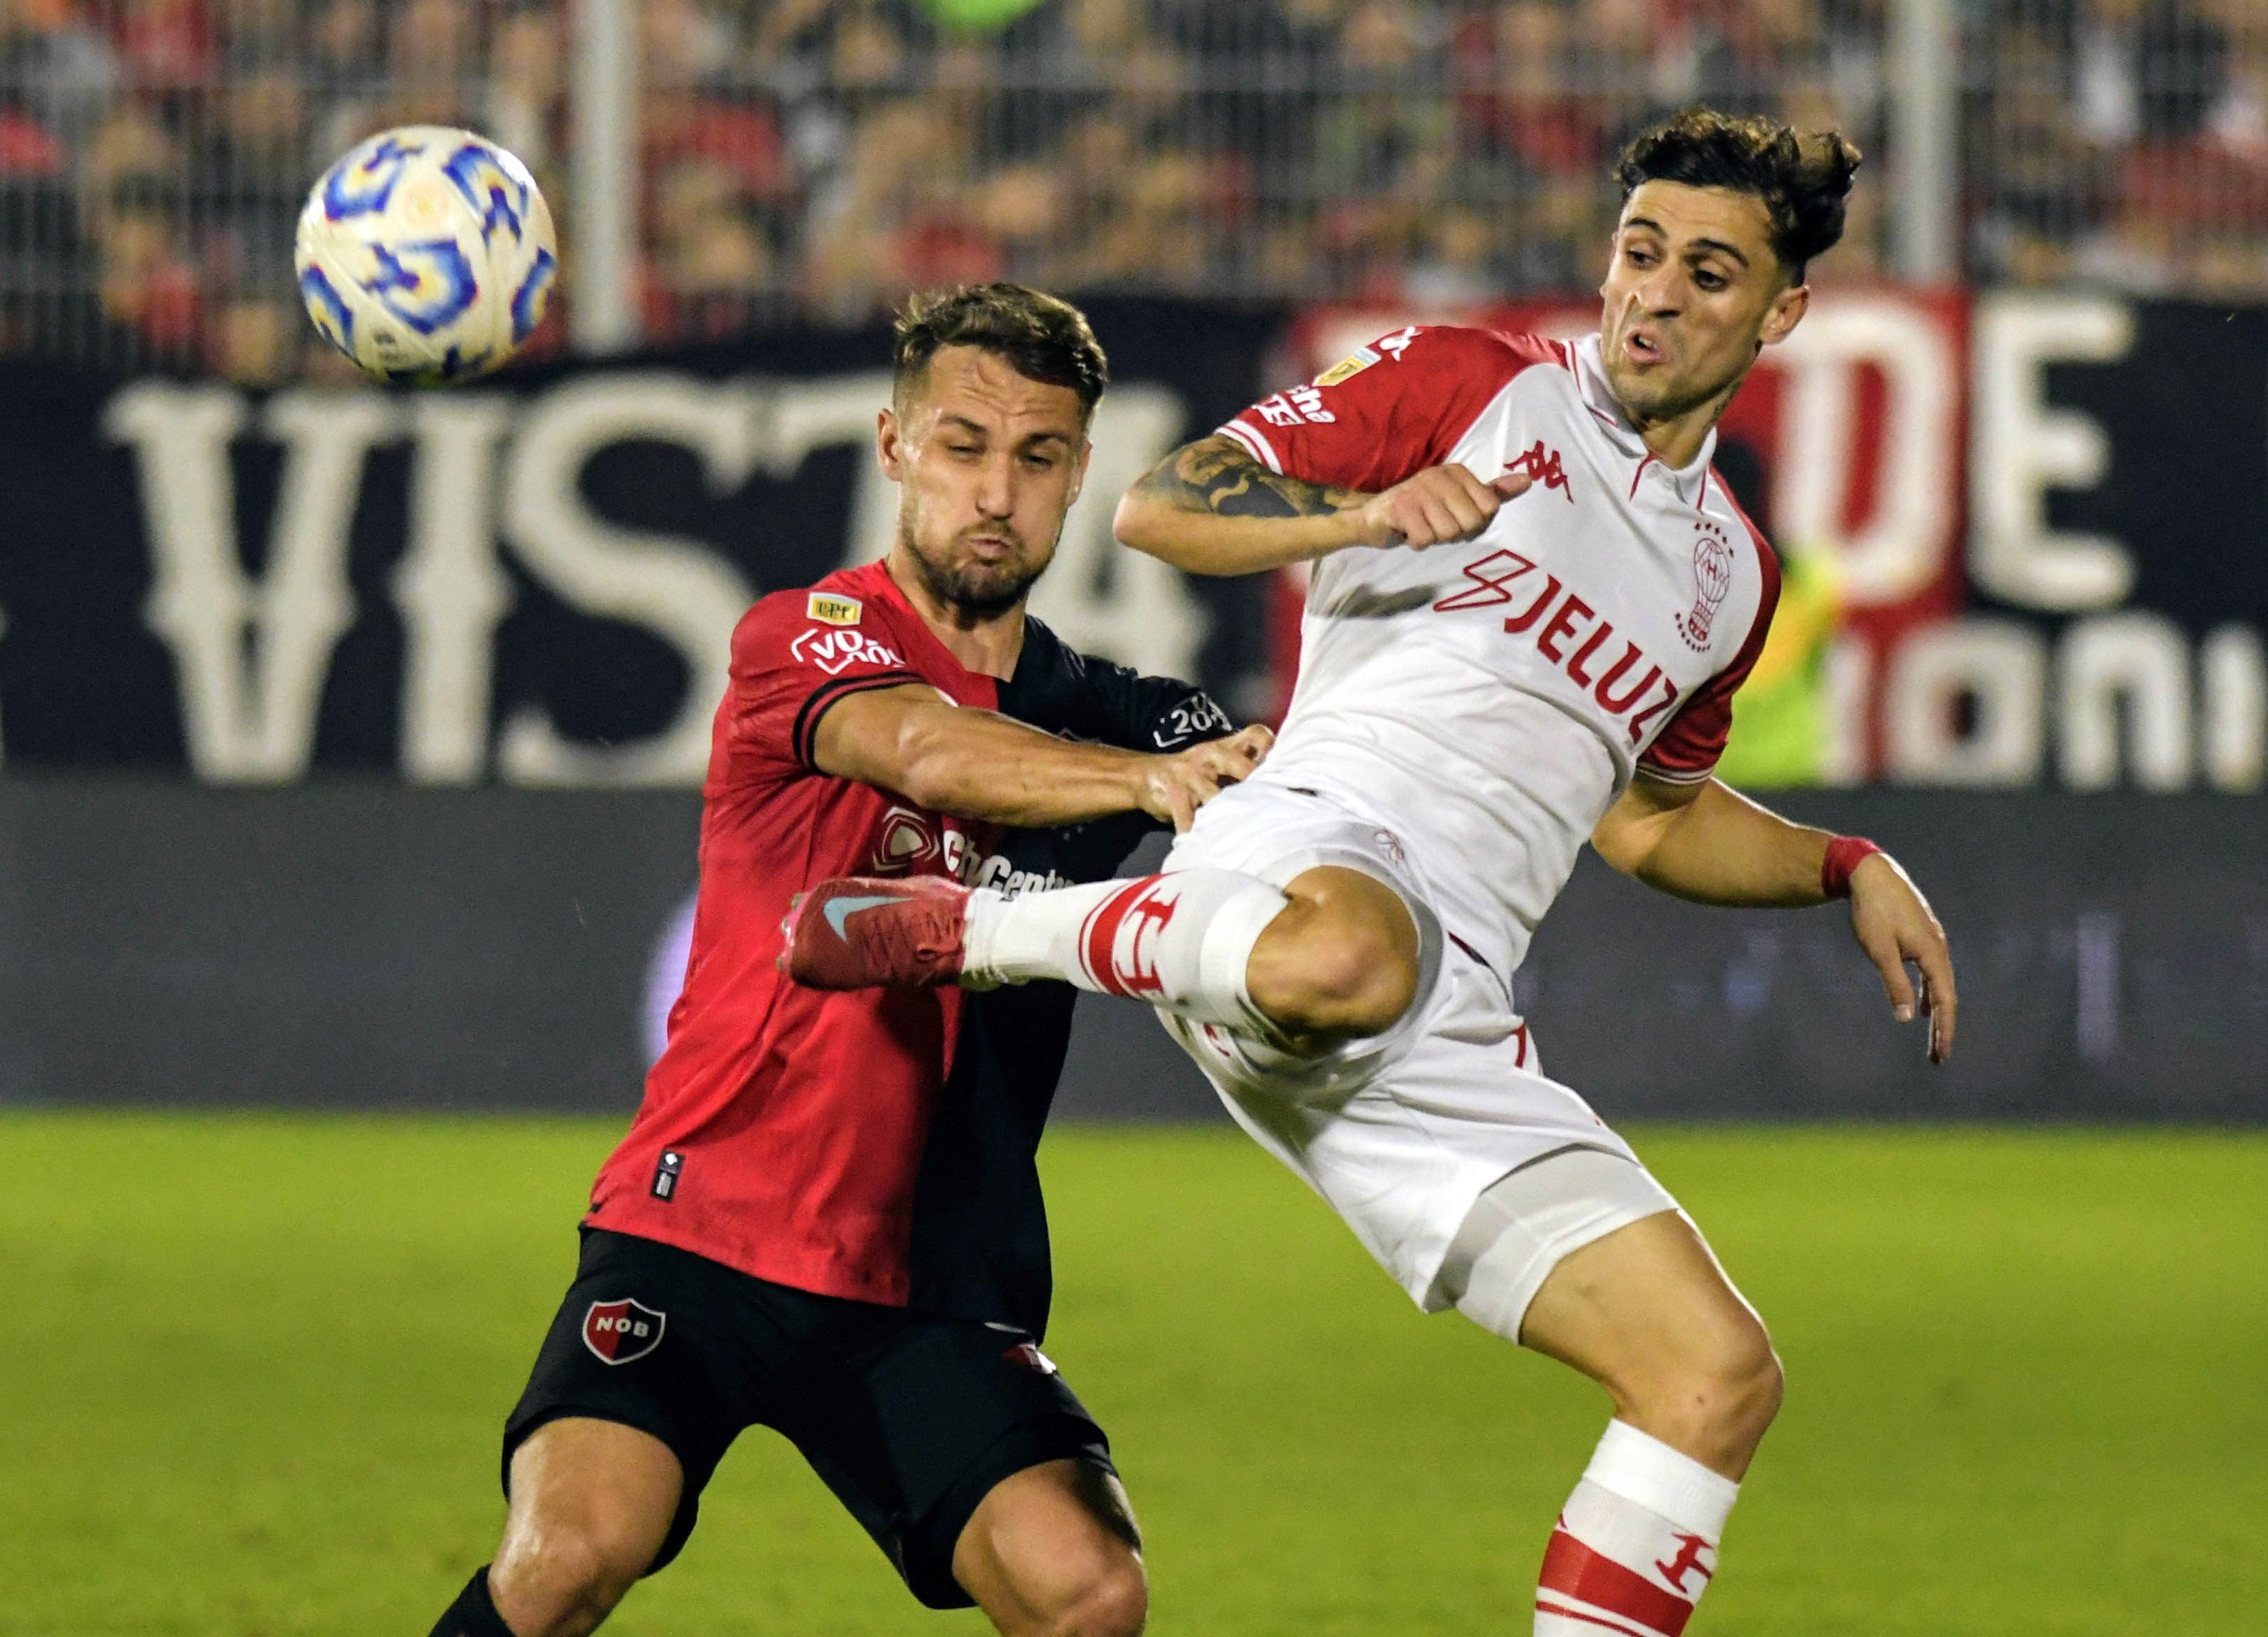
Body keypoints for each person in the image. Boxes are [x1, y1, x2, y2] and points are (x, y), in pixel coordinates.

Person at [784, 110, 1959, 1637]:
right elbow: (1160, 506)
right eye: (1637, 254)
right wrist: (1359, 513)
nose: (1652, 297)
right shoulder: (1467, 385)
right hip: (1297, 870)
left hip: (1440, 1012)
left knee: (1713, 1374)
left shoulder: (1725, 578)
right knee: (1347, 953)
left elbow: (1651, 821)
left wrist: (1842, 862)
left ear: (1780, 312)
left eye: (1708, 274)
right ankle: (975, 927)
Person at [427, 282, 1269, 1637]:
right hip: (704, 1230)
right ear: (893, 450)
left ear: (1077, 475)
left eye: (1037, 457)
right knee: (577, 1548)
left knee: (1088, 1591)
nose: (996, 493)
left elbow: (1265, 795)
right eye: (962, 447)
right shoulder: (804, 639)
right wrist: (1154, 782)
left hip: (927, 1281)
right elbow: (928, 749)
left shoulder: (1114, 712)